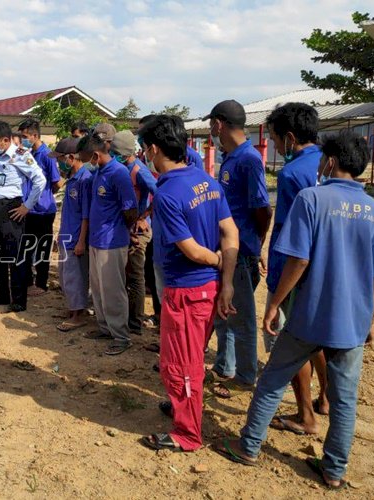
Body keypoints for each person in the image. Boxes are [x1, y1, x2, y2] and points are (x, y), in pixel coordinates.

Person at [216, 130, 374, 490]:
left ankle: (248, 447)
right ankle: (334, 470)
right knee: (344, 400)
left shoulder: (312, 199)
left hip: (308, 316)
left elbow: (298, 260)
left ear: (331, 162)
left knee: (273, 382)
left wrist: (275, 303)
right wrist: (369, 321)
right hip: (352, 322)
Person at [137, 115, 239, 452]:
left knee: (182, 363)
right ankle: (184, 407)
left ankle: (187, 434)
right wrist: (226, 281)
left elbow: (193, 251)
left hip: (187, 290)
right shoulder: (206, 180)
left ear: (153, 149)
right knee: (186, 357)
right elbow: (230, 232)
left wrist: (217, 261)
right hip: (207, 289)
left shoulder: (167, 194)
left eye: (145, 150)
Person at [259, 103, 329, 435]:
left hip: (293, 268)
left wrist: (277, 284)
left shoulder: (290, 174)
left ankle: (305, 415)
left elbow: (290, 232)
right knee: (316, 339)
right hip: (326, 265)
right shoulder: (330, 164)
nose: (274, 147)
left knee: (290, 342)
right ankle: (325, 399)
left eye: (274, 140)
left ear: (289, 138)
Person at [204, 100, 272, 397]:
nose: (211, 131)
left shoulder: (248, 159)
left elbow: (262, 208)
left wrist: (257, 245)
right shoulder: (232, 157)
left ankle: (245, 375)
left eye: (212, 125)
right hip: (227, 248)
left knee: (241, 316)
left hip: (242, 250)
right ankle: (224, 365)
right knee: (224, 312)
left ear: (219, 124)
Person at [80, 131, 138, 355]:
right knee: (98, 289)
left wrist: (125, 231)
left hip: (112, 242)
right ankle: (105, 328)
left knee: (113, 290)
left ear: (95, 155)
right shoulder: (99, 172)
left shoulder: (118, 173)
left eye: (87, 159)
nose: (87, 164)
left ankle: (121, 336)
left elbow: (130, 209)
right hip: (97, 240)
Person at [0, 121, 46, 313]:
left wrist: (27, 206)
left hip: (11, 209)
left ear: (6, 140)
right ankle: (1, 295)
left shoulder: (20, 156)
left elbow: (39, 180)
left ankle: (18, 300)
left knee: (15, 256)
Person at [111, 130, 158, 338]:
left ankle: (135, 322)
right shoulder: (122, 168)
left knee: (136, 277)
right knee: (125, 274)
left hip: (138, 231)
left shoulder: (139, 171)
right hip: (125, 228)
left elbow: (161, 194)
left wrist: (144, 216)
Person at [17, 119, 62, 297]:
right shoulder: (28, 154)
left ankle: (41, 283)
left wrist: (45, 195)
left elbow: (56, 182)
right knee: (27, 246)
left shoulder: (47, 155)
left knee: (42, 247)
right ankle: (27, 280)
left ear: (35, 136)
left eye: (25, 136)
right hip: (28, 208)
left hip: (43, 210)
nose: (23, 139)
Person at [52, 137, 91, 332]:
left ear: (70, 157)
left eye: (60, 158)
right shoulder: (72, 179)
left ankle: (79, 314)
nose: (58, 161)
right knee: (66, 275)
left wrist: (81, 240)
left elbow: (85, 215)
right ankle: (72, 309)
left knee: (76, 276)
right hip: (67, 234)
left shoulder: (84, 179)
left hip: (76, 237)